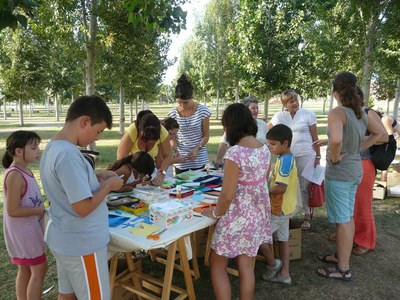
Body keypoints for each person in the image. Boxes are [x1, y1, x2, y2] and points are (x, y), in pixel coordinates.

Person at [39, 95, 124, 300]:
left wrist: (96, 176)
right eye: (98, 131)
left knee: (67, 295)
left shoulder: (55, 147)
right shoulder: (68, 155)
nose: (97, 138)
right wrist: (108, 186)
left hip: (65, 240)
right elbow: (83, 208)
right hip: (82, 245)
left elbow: (67, 184)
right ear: (84, 121)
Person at [202, 103, 271, 300]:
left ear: (230, 126)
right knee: (246, 268)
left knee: (216, 264)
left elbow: (227, 195)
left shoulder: (235, 153)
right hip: (255, 216)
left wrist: (215, 214)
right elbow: (261, 183)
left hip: (236, 218)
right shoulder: (264, 149)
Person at [315, 71, 380, 281]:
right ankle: (340, 256)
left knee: (343, 220)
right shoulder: (360, 112)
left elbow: (336, 140)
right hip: (354, 170)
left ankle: (343, 268)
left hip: (341, 172)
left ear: (335, 91)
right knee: (347, 217)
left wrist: (334, 157)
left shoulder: (338, 112)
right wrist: (358, 148)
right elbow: (380, 134)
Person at [2, 130, 47, 300]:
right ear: (19, 151)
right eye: (34, 148)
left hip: (28, 230)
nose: (38, 151)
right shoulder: (15, 175)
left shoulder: (25, 172)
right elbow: (13, 210)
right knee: (40, 269)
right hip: (24, 233)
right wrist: (40, 211)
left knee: (26, 268)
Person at [268, 89, 320, 231]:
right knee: (287, 186)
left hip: (306, 155)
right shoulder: (279, 116)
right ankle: (288, 213)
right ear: (285, 103)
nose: (295, 103)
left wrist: (318, 156)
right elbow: (267, 132)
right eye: (291, 101)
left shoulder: (308, 114)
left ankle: (307, 216)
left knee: (304, 186)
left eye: (296, 99)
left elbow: (315, 137)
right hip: (287, 156)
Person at [259, 124, 298, 286]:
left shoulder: (284, 162)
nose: (270, 147)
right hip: (286, 208)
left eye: (273, 144)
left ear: (286, 143)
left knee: (259, 236)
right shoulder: (287, 158)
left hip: (279, 209)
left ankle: (273, 264)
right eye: (269, 144)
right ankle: (285, 274)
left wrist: (263, 191)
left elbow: (281, 188)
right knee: (283, 240)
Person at [168, 74, 211, 174]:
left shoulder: (203, 111)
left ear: (192, 97)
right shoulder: (173, 113)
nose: (182, 106)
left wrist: (197, 149)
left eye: (185, 102)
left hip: (199, 160)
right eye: (179, 102)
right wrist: (175, 151)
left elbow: (206, 135)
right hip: (181, 161)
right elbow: (172, 138)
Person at [117, 110, 172, 186]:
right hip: (130, 173)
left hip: (148, 171)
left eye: (154, 139)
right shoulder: (132, 131)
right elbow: (121, 159)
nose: (149, 142)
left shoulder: (163, 132)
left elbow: (168, 156)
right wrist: (137, 175)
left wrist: (161, 173)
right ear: (140, 129)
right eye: (146, 138)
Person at [214, 95, 269, 168]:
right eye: (253, 108)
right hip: (242, 163)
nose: (256, 110)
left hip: (260, 163)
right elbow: (224, 142)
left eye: (257, 108)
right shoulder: (237, 126)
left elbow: (268, 144)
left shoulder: (263, 124)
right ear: (245, 110)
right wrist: (218, 159)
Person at [380, 114, 399, 182]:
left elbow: (390, 138)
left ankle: (384, 185)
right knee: (391, 167)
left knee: (386, 166)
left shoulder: (385, 119)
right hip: (395, 142)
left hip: (395, 143)